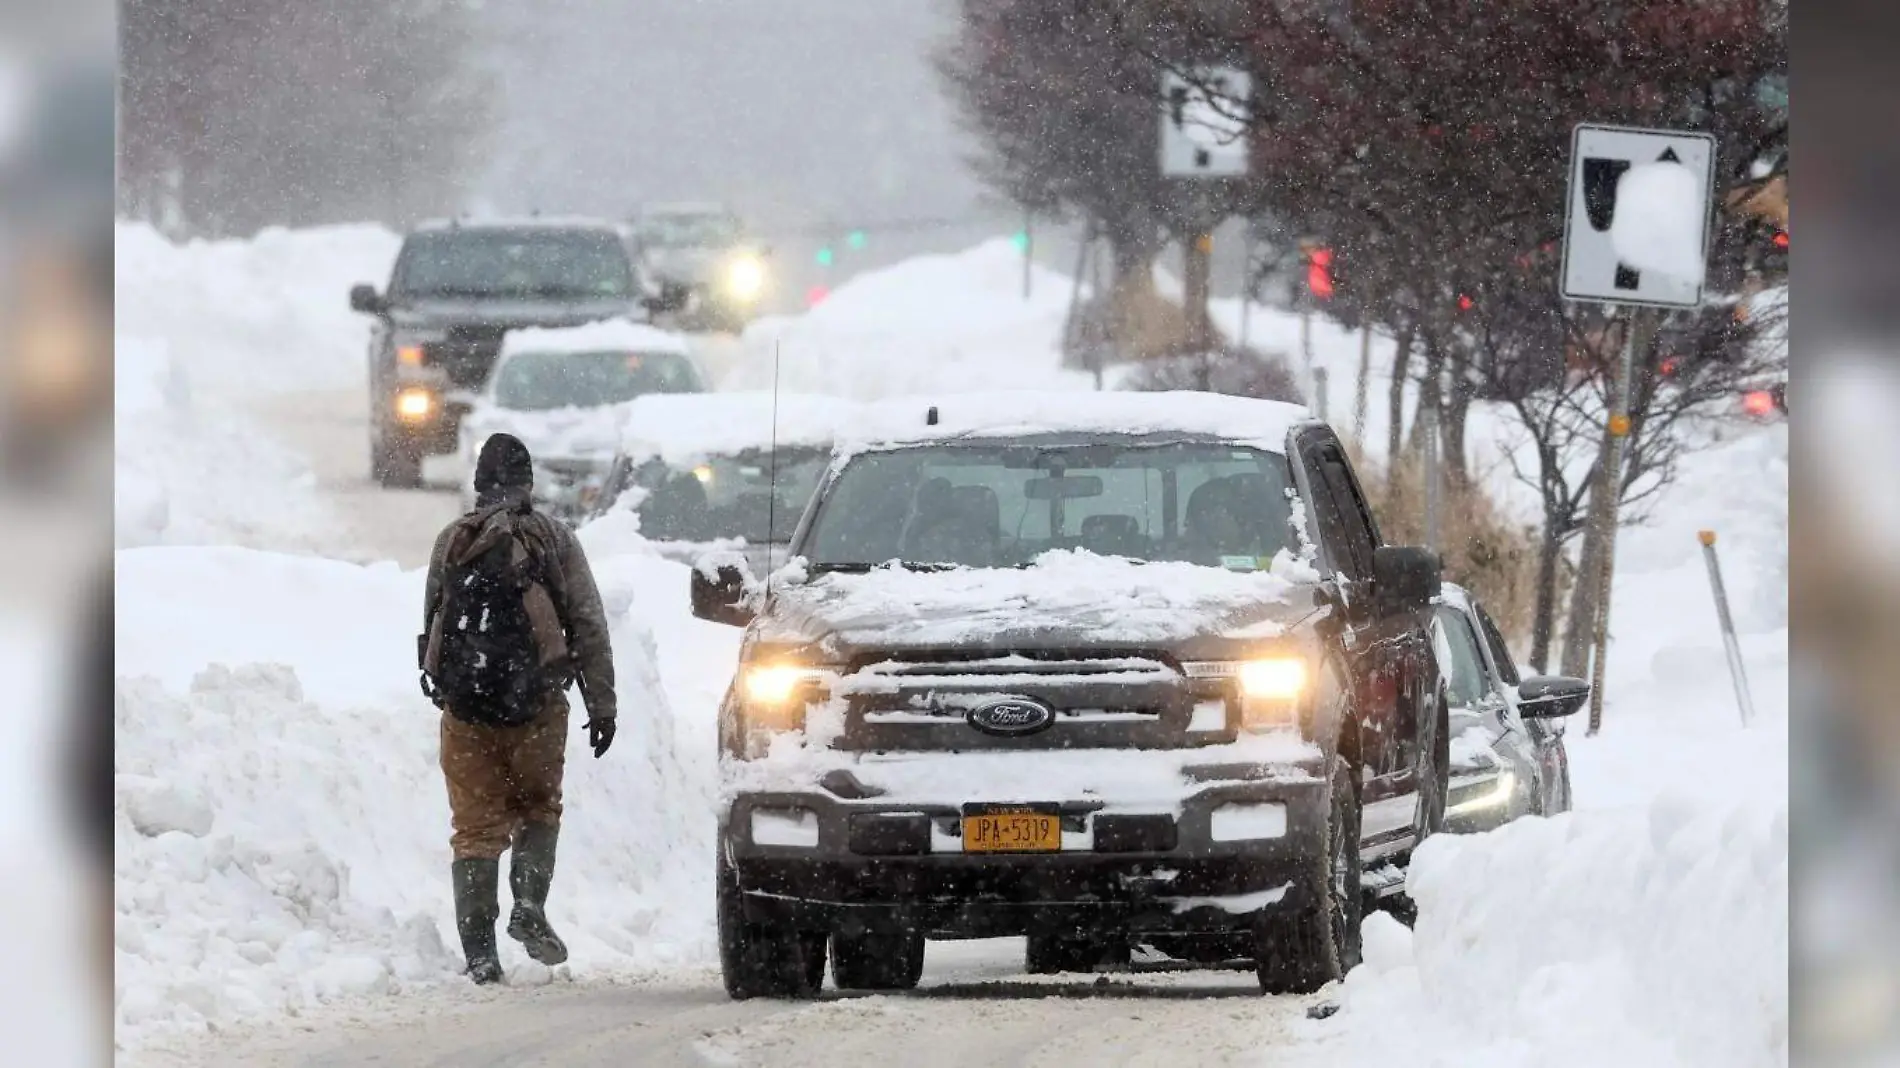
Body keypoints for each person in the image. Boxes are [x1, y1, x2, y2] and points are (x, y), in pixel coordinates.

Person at [422, 432, 617, 984]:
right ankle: (528, 904)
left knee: (475, 830)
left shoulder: (453, 539)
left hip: (466, 712)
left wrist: (443, 685)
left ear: (479, 483)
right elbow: (588, 624)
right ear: (528, 484)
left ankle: (481, 954)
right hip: (535, 706)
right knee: (537, 808)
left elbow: (433, 618)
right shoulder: (552, 538)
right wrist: (601, 705)